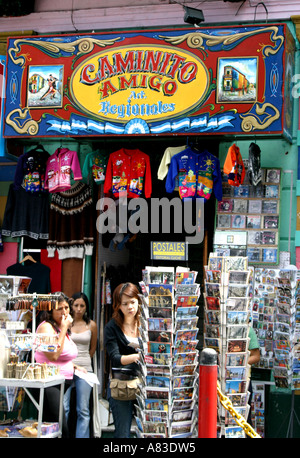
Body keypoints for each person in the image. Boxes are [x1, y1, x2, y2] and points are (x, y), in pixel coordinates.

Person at [34, 293, 78, 438]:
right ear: (50, 311)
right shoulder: (47, 328)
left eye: (66, 308)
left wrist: (75, 367)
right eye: (59, 309)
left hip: (63, 382)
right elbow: (53, 355)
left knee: (53, 428)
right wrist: (65, 327)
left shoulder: (59, 328)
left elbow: (64, 356)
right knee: (60, 428)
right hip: (49, 383)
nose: (64, 312)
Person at [104, 282, 142, 438]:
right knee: (123, 432)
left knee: (148, 430)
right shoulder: (111, 327)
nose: (130, 307)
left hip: (144, 383)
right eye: (125, 304)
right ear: (118, 306)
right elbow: (115, 358)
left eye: (133, 302)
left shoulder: (146, 323)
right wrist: (137, 357)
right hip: (122, 386)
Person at [64, 292, 97, 438]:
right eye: (76, 305)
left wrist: (83, 362)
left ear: (86, 307)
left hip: (85, 369)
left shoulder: (91, 325)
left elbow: (93, 349)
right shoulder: (66, 323)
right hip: (66, 367)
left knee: (83, 409)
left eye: (82, 306)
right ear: (71, 306)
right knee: (64, 407)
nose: (78, 309)